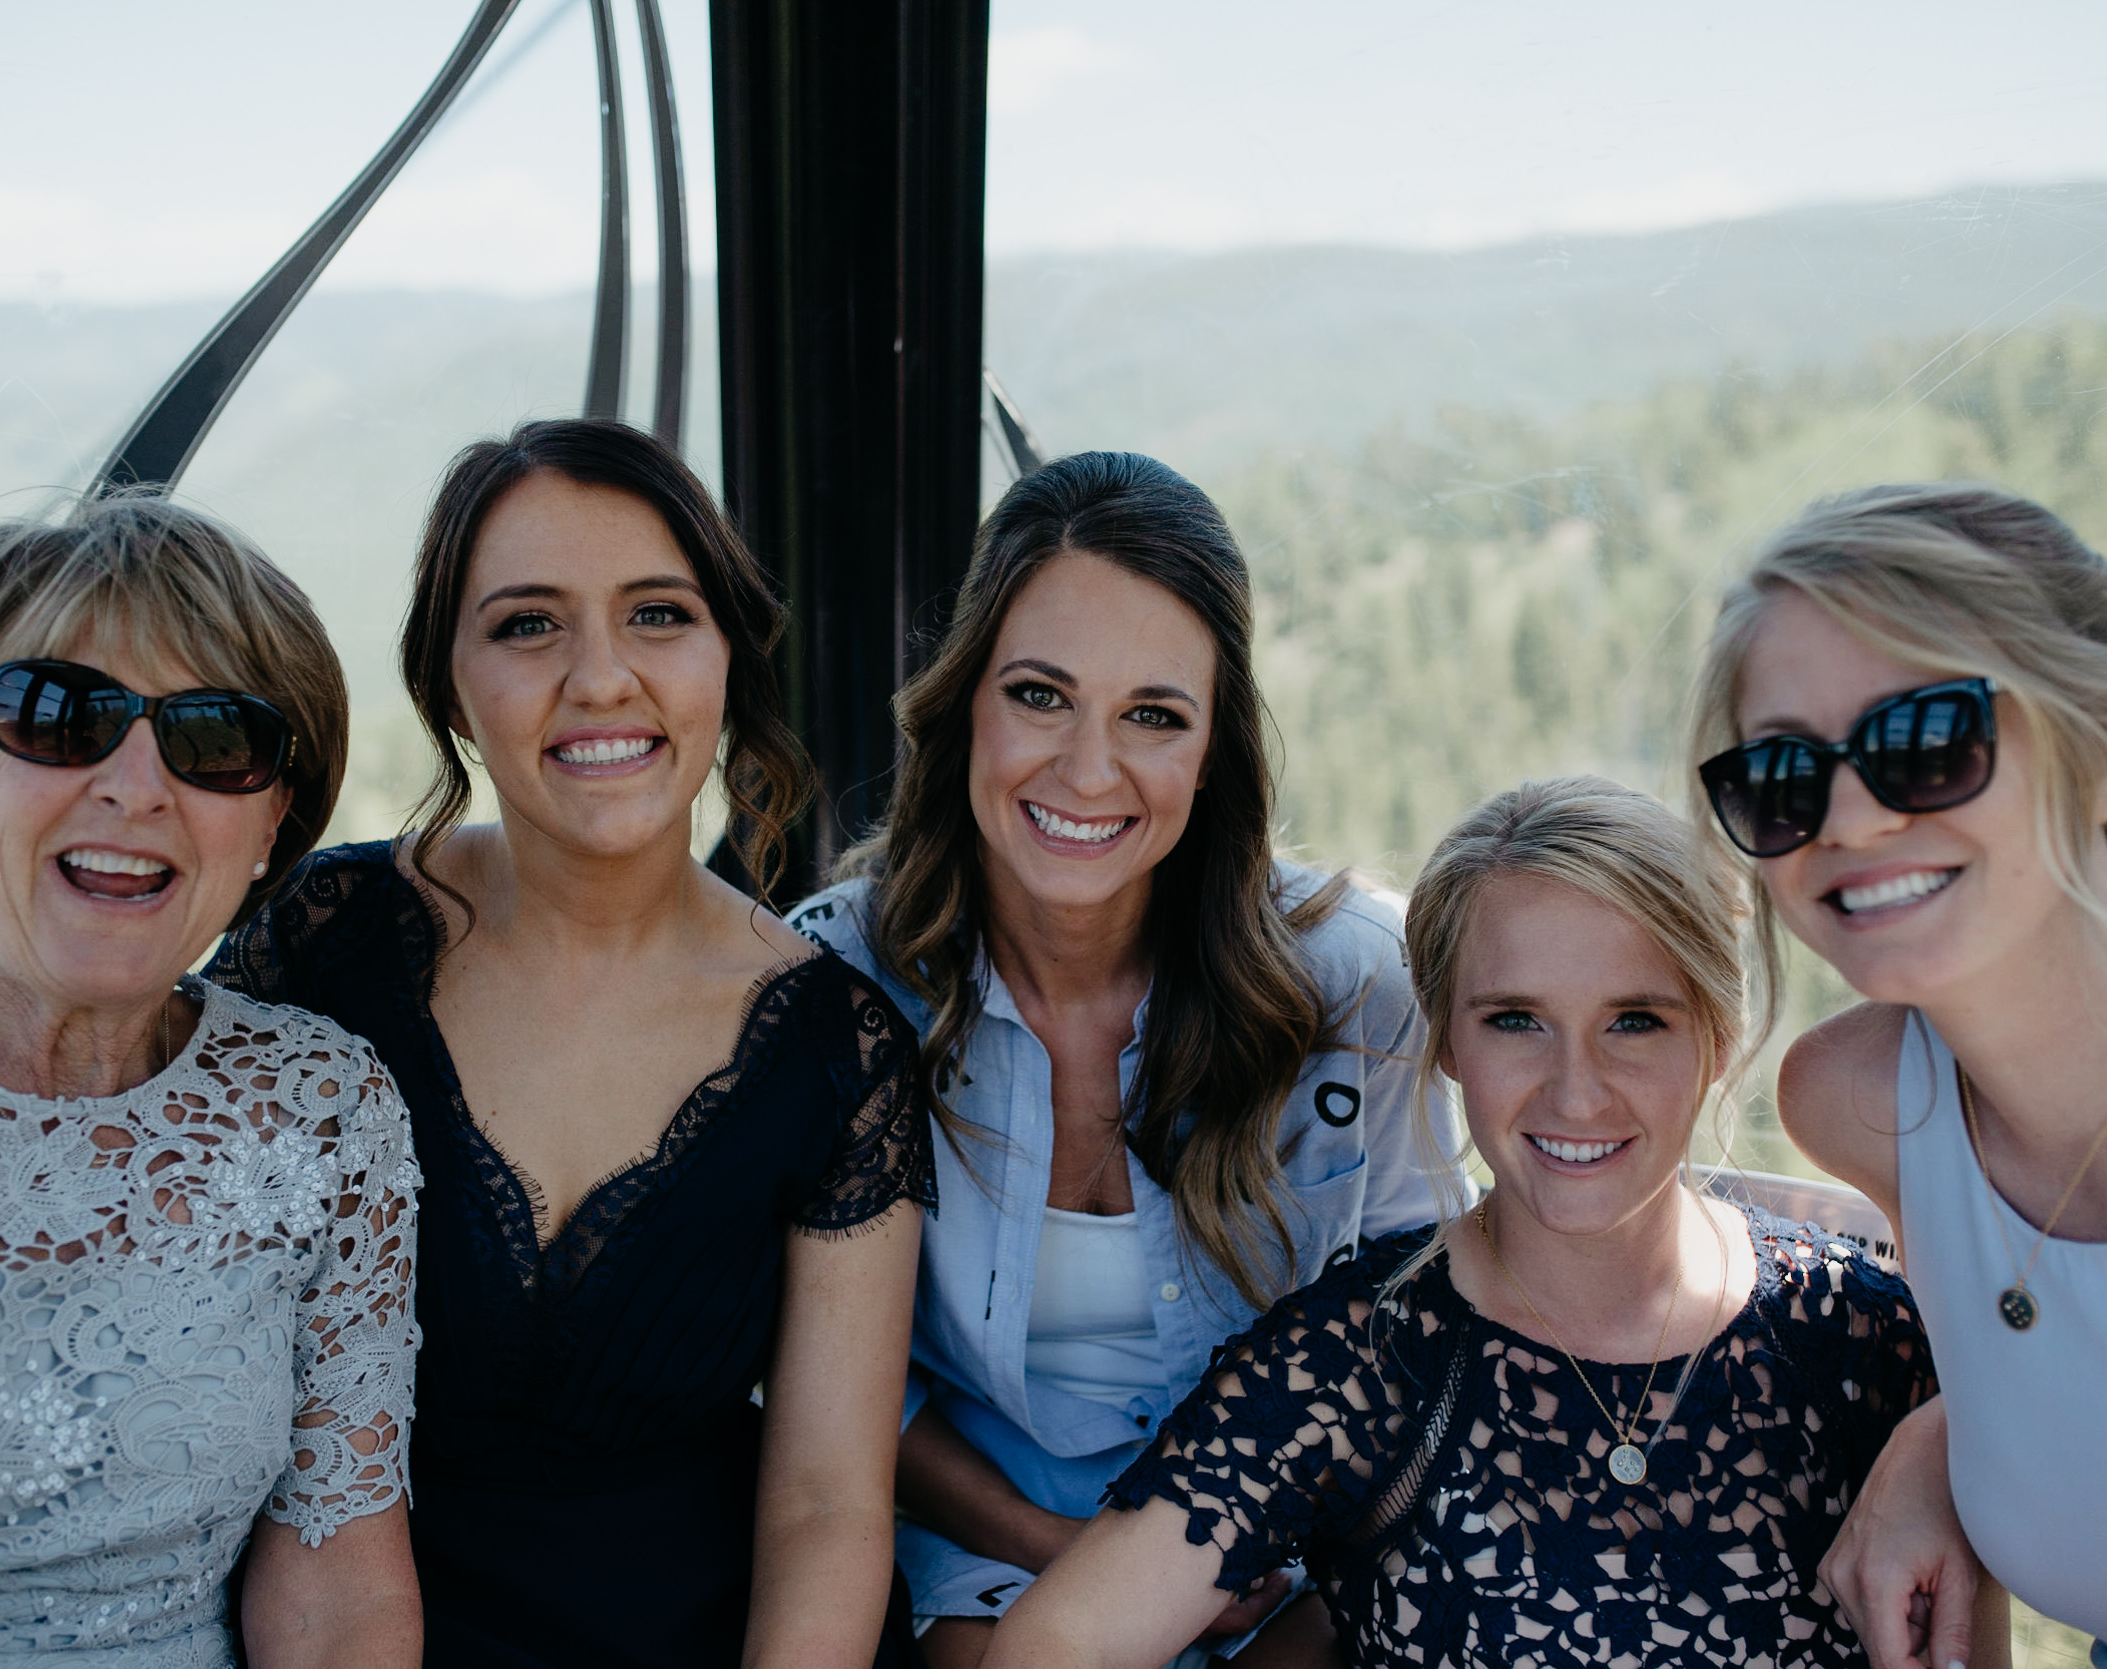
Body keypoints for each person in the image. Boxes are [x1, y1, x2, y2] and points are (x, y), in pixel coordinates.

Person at [208, 418, 933, 1669]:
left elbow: (827, 1505)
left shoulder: (836, 1046)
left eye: (658, 614)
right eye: (527, 624)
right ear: (449, 680)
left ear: (726, 659)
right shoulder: (319, 949)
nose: (601, 678)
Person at [980, 776, 1950, 1669]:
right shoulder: (1351, 1362)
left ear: (1717, 1037)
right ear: (1445, 1036)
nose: (1576, 1093)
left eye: (1634, 1020)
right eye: (1514, 1019)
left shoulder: (1863, 1335)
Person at [787, 450, 1472, 1668]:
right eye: (1040, 695)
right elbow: (841, 1408)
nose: (1089, 769)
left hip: (1297, 1556)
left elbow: (1420, 1344)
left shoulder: (1359, 984)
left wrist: (1265, 1585)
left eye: (1153, 715)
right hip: (996, 1543)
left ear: (1212, 756)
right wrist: (1091, 1562)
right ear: (964, 708)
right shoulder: (836, 986)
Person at [0, 496, 421, 1666]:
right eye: (60, 717)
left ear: (269, 821)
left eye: (215, 740)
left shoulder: (322, 1113)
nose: (135, 784)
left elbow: (337, 1602)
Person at [1690, 484, 2107, 1669]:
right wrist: (1933, 1452)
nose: (1845, 820)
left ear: (2100, 755)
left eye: (1926, 741)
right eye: (1785, 775)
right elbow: (2082, 1370)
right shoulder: (1864, 1104)